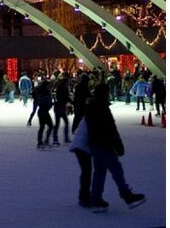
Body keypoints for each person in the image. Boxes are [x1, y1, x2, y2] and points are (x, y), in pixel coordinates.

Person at [85, 83, 146, 212]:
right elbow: (110, 128)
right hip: (104, 143)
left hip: (94, 143)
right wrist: (118, 145)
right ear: (105, 93)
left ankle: (96, 199)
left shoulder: (91, 106)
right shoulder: (102, 107)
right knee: (116, 170)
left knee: (99, 172)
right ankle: (126, 195)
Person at [69, 117, 92, 207]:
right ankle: (84, 197)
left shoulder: (89, 115)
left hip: (80, 145)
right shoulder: (93, 115)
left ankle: (84, 196)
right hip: (82, 146)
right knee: (86, 171)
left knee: (86, 171)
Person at [53, 73, 72, 145]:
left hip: (59, 107)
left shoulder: (61, 87)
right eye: (68, 82)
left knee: (59, 123)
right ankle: (62, 139)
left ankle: (57, 139)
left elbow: (65, 97)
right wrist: (72, 102)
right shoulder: (64, 88)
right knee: (61, 123)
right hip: (60, 107)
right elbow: (66, 97)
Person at [36, 78, 54, 149]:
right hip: (43, 111)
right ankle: (42, 142)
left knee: (43, 127)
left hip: (42, 111)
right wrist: (51, 104)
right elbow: (45, 102)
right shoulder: (45, 92)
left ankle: (41, 142)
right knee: (48, 126)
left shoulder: (42, 92)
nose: (50, 87)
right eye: (49, 86)